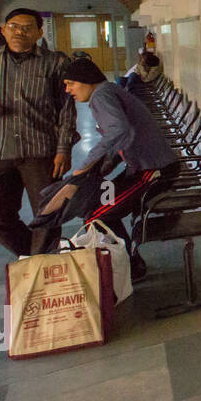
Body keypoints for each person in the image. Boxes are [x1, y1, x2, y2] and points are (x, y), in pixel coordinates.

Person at [0, 8, 76, 257]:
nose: (19, 32)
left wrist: (64, 149)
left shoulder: (55, 62)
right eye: (13, 26)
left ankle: (44, 264)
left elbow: (66, 109)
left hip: (41, 150)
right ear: (3, 30)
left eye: (27, 27)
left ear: (39, 32)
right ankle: (32, 254)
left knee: (49, 212)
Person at [61, 57, 180, 280]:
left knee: (96, 215)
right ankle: (128, 262)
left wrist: (87, 165)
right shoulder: (108, 91)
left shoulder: (101, 96)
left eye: (71, 84)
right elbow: (123, 136)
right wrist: (107, 164)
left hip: (154, 171)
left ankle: (128, 266)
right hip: (142, 168)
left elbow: (118, 130)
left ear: (86, 80)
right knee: (96, 208)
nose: (68, 90)